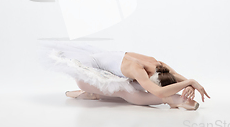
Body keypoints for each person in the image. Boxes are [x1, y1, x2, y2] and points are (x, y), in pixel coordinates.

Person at [37, 40, 210, 110]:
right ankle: (173, 100)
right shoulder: (137, 70)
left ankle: (174, 99)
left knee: (133, 85)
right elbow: (157, 91)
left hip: (109, 65)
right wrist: (189, 82)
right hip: (90, 73)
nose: (147, 86)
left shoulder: (158, 64)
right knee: (128, 91)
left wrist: (190, 83)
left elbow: (175, 75)